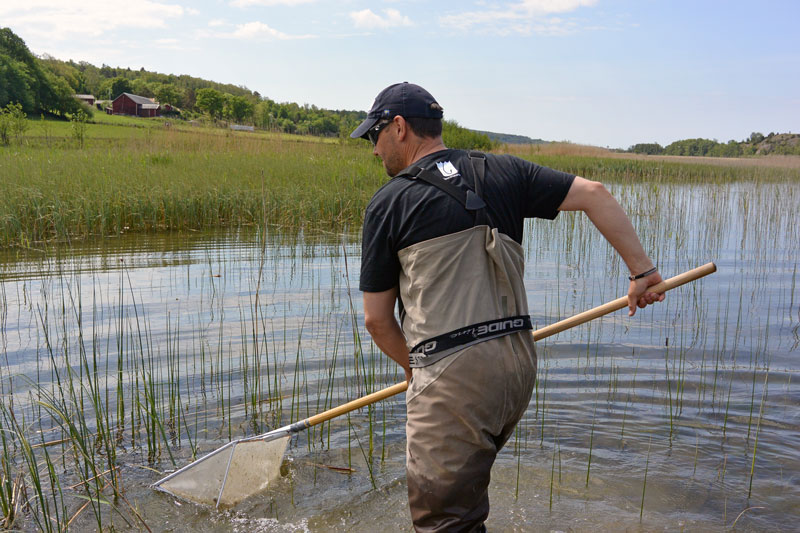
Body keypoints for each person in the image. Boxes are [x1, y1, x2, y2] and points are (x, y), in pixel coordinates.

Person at [351, 82, 664, 533]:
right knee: (466, 498)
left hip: (453, 376)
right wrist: (642, 273)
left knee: (443, 521)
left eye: (373, 135)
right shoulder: (503, 170)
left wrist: (415, 370)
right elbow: (595, 193)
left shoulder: (389, 203)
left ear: (398, 128)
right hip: (516, 366)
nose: (373, 150)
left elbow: (377, 322)